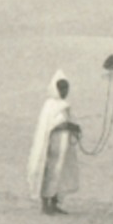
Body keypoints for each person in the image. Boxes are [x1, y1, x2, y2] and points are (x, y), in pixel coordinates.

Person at [27, 70, 81, 215]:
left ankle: (55, 202)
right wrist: (68, 126)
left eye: (66, 88)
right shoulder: (50, 105)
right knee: (50, 172)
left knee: (60, 172)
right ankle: (45, 205)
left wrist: (75, 128)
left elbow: (69, 122)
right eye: (61, 88)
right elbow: (51, 126)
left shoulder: (64, 105)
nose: (64, 91)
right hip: (53, 145)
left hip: (64, 146)